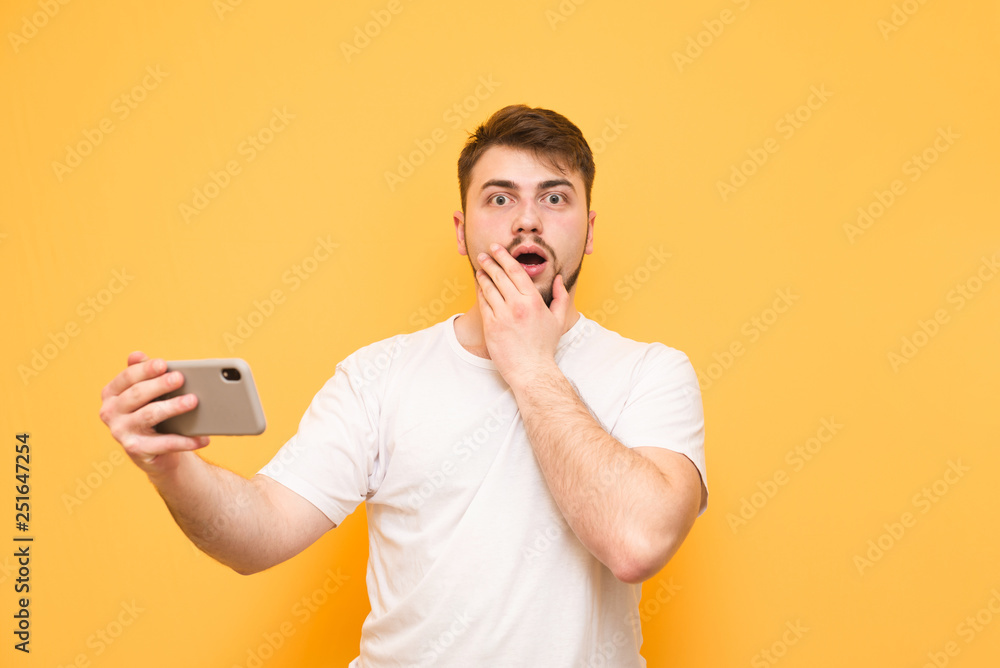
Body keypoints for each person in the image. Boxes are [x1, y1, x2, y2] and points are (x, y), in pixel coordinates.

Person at [99, 104, 708, 667]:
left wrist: (529, 364)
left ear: (590, 229)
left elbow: (637, 542)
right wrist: (170, 468)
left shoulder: (652, 372)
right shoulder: (378, 377)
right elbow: (258, 535)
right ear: (462, 228)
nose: (527, 220)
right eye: (499, 199)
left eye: (554, 197)